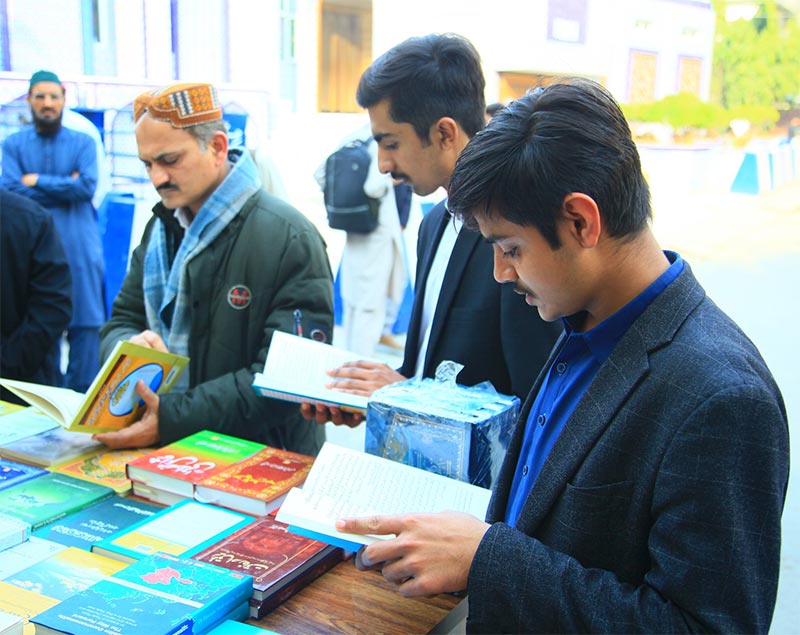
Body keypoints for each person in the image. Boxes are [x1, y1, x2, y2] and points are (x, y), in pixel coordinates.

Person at [336, 79, 790, 633]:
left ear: (580, 221)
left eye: (510, 249)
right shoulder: (580, 318)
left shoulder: (721, 396)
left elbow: (704, 626)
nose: (502, 274)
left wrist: (487, 559)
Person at [302, 33, 561, 427]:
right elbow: (421, 371)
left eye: (390, 143)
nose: (383, 165)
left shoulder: (515, 239)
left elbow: (535, 408)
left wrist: (403, 397)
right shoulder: (433, 223)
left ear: (444, 133)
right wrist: (376, 399)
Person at [94, 82, 333, 456]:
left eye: (170, 160)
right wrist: (128, 347)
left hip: (261, 461)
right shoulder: (160, 228)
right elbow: (120, 321)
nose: (157, 178)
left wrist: (173, 417)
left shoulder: (289, 237)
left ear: (218, 148)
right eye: (147, 164)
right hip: (170, 450)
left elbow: (285, 380)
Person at [0, 69, 105, 393]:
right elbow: (10, 190)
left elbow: (86, 186)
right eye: (40, 97)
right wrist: (65, 184)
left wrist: (36, 180)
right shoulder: (12, 144)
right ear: (29, 100)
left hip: (78, 246)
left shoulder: (84, 141)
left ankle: (82, 407)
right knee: (34, 326)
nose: (47, 104)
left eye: (54, 97)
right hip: (25, 252)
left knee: (86, 326)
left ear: (64, 100)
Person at [316, 124, 407, 358]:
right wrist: (394, 179)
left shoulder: (352, 137)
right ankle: (360, 361)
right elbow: (374, 187)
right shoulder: (382, 141)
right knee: (370, 303)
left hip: (353, 229)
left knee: (353, 300)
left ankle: (349, 359)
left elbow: (320, 174)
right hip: (375, 231)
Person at [0, 189, 72, 402]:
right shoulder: (30, 218)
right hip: (23, 388)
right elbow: (54, 309)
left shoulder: (30, 220)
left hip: (22, 391)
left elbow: (53, 310)